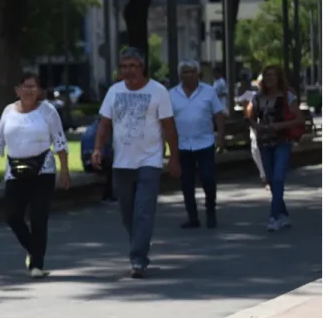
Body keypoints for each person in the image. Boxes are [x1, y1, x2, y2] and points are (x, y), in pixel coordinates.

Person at [91, 47, 180, 278]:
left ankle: (138, 259)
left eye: (132, 66)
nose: (128, 71)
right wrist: (98, 148)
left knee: (143, 210)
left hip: (150, 160)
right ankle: (140, 242)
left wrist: (174, 158)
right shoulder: (114, 91)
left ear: (142, 67)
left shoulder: (158, 91)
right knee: (127, 211)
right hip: (122, 162)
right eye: (124, 67)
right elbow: (104, 124)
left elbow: (169, 128)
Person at [0, 73, 70, 278]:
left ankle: (37, 265)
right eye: (25, 87)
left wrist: (64, 170)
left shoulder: (47, 111)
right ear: (17, 90)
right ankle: (33, 248)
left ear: (39, 91)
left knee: (38, 217)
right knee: (12, 216)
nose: (29, 91)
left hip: (43, 170)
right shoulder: (8, 112)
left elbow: (59, 141)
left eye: (33, 87)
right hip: (15, 170)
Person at [244, 64, 304, 232]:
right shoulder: (257, 98)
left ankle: (274, 216)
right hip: (264, 142)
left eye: (273, 75)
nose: (270, 78)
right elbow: (249, 117)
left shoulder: (287, 96)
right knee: (270, 178)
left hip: (282, 141)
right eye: (267, 75)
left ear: (279, 78)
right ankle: (283, 215)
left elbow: (299, 119)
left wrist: (280, 126)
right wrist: (256, 127)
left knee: (278, 177)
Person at [169, 60, 226, 229]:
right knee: (186, 183)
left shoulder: (209, 92)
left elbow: (218, 115)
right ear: (180, 75)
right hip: (183, 145)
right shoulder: (171, 94)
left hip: (205, 143)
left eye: (192, 72)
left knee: (208, 178)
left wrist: (221, 137)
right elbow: (167, 121)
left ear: (198, 74)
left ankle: (210, 211)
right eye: (185, 72)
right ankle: (192, 217)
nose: (189, 75)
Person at [235, 77, 266, 187]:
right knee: (255, 149)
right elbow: (244, 107)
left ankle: (267, 174)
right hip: (254, 124)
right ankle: (264, 175)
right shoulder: (250, 95)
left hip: (265, 125)